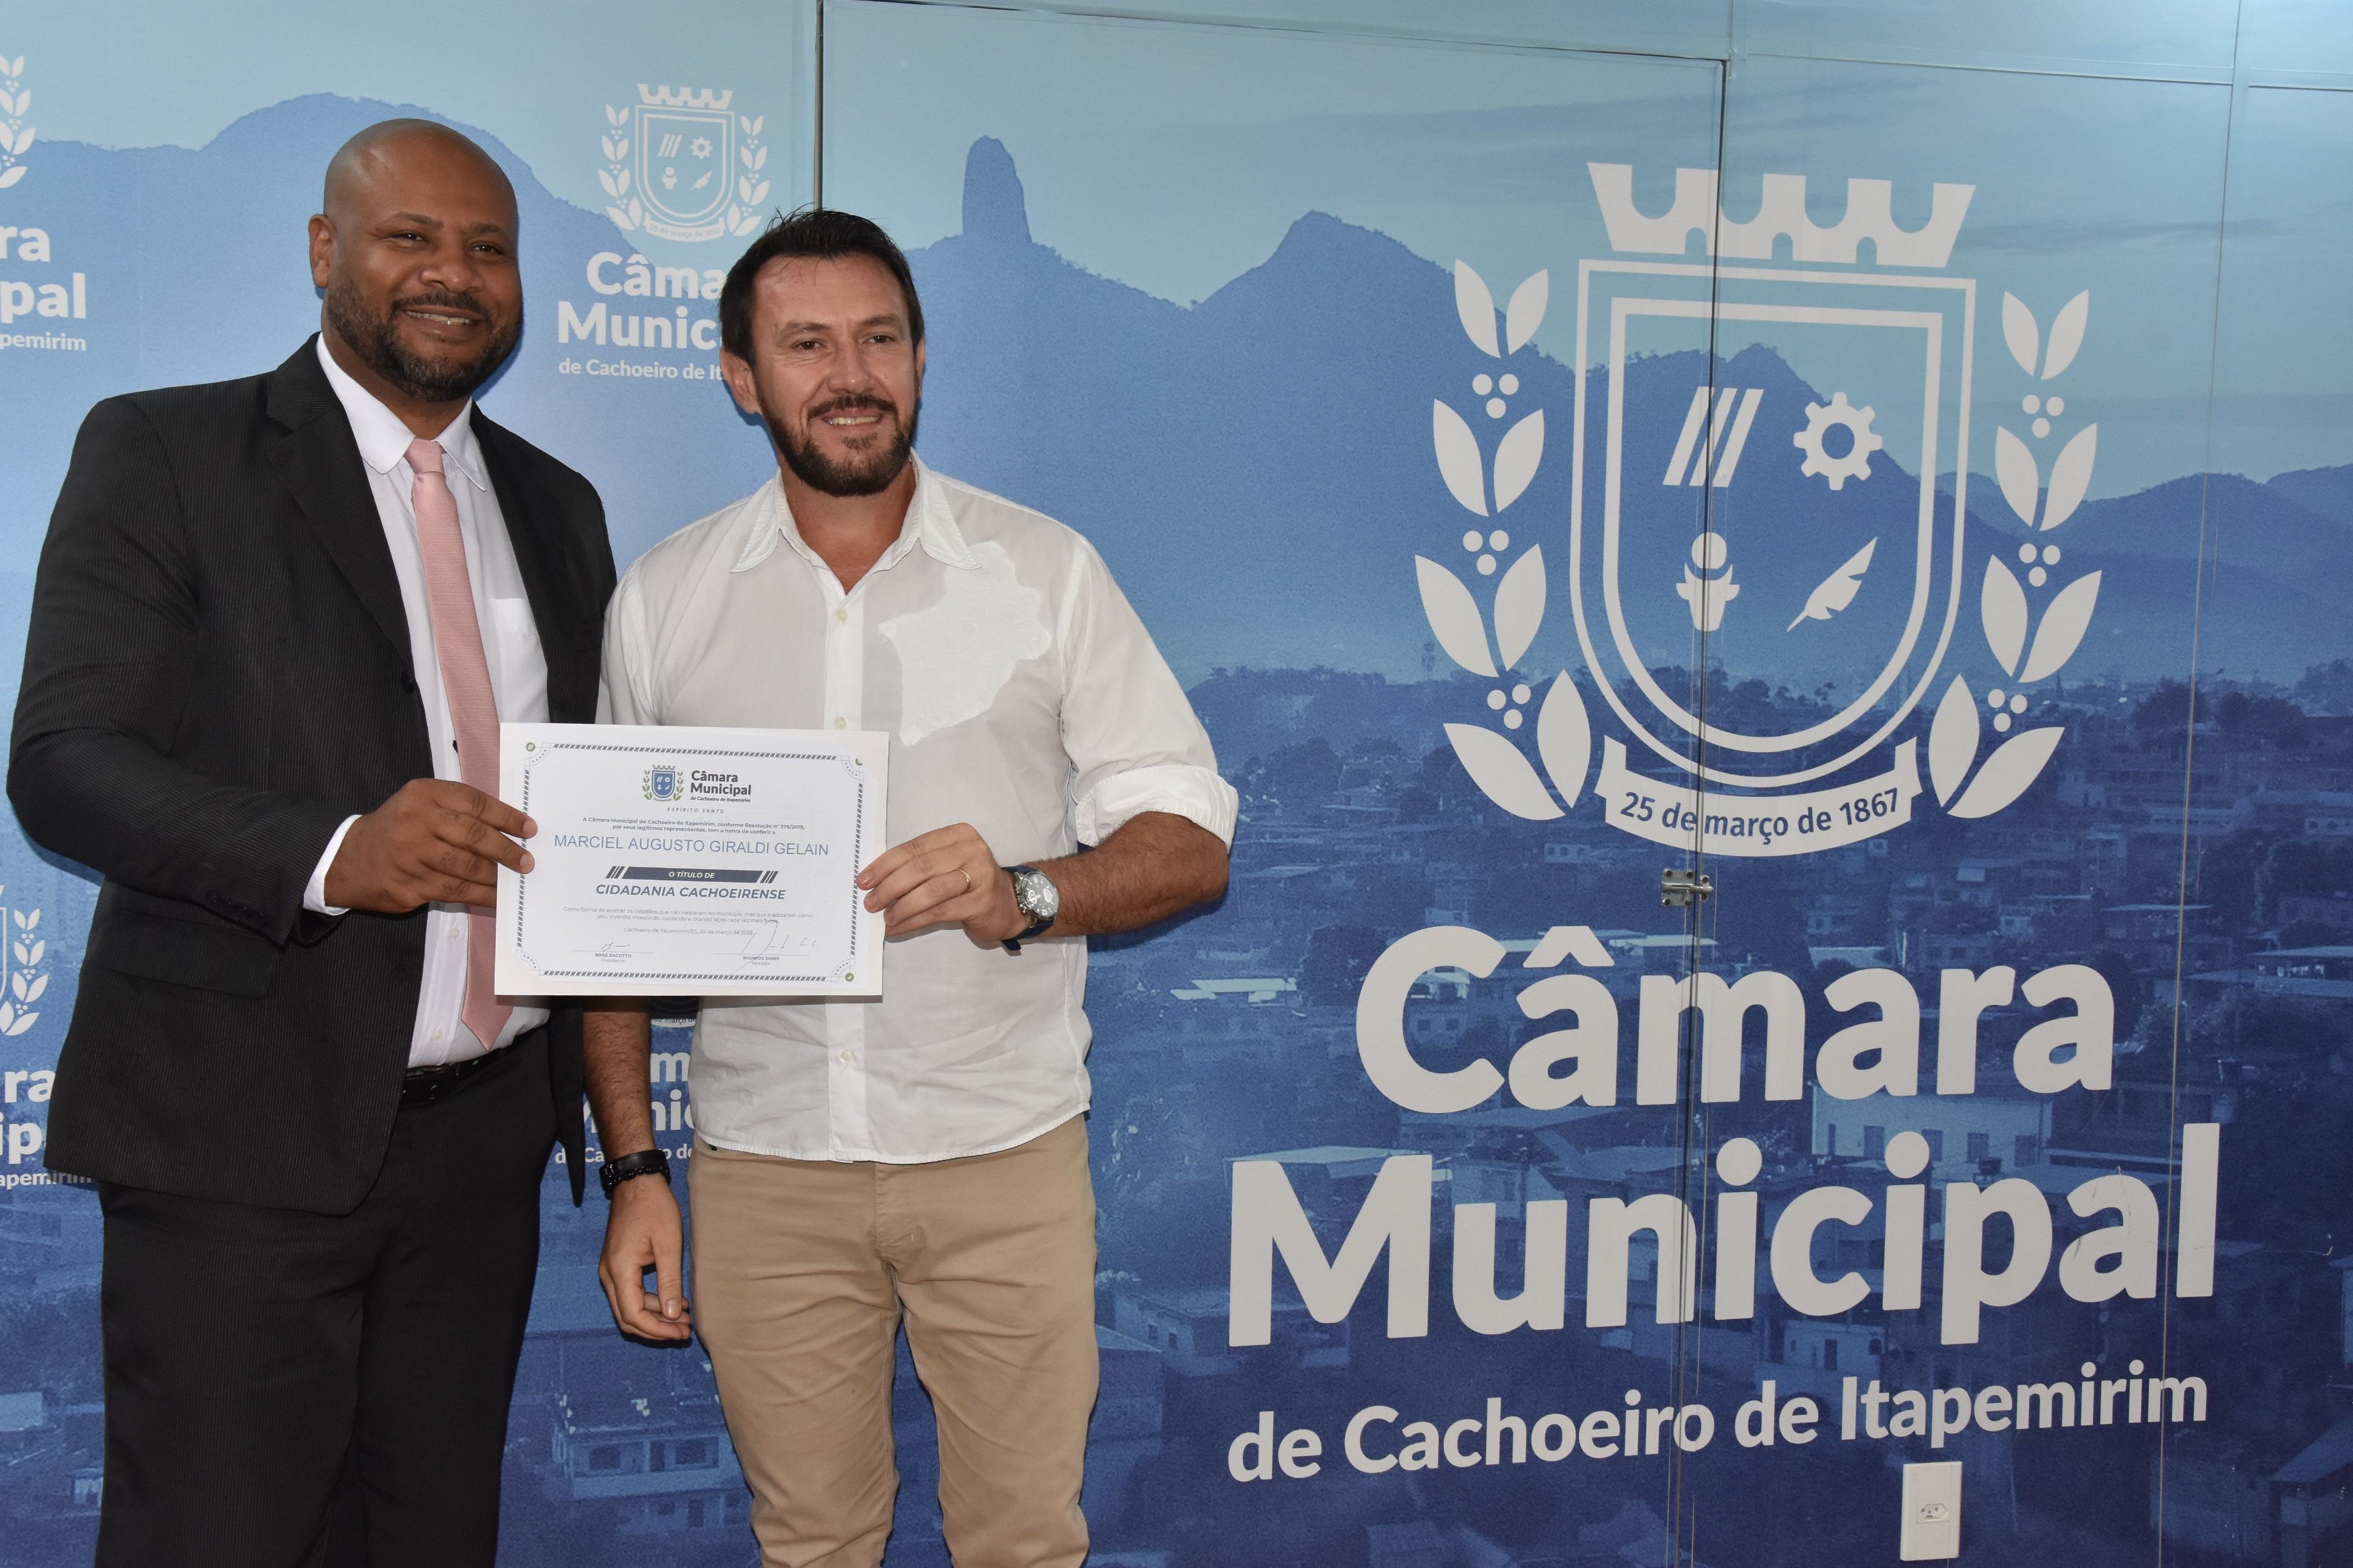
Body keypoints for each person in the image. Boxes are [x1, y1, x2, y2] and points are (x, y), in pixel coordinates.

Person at [585, 208, 1234, 1568]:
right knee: (811, 1543)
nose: (851, 374)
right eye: (806, 344)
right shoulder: (664, 599)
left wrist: (1027, 894)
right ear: (740, 376)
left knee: (1022, 1543)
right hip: (766, 1166)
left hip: (1002, 1155)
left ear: (923, 361)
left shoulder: (1046, 574)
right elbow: (610, 919)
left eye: (880, 338)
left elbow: (1191, 841)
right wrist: (637, 1165)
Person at [8, 120, 614, 1566]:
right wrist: (336, 854)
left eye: (488, 248)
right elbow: (64, 764)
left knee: (430, 1540)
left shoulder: (558, 505)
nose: (453, 273)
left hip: (481, 1157)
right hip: (236, 1139)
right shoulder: (166, 451)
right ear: (324, 251)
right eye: (412, 238)